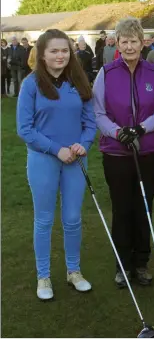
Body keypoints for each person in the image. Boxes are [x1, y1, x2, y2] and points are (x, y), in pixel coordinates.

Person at [16, 29, 97, 300]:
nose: (60, 55)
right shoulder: (31, 84)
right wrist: (56, 149)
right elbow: (24, 129)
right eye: (54, 51)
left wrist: (83, 145)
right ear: (41, 55)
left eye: (65, 50)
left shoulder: (78, 80)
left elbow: (90, 122)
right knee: (44, 219)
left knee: (73, 219)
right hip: (43, 160)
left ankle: (73, 271)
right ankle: (43, 276)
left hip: (74, 160)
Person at [93, 17, 154, 288]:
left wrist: (140, 129)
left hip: (149, 150)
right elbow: (98, 113)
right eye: (123, 41)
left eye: (133, 41)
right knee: (122, 208)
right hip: (116, 152)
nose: (129, 46)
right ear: (117, 42)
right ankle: (122, 265)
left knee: (143, 208)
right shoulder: (107, 73)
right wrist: (118, 132)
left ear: (142, 42)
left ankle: (141, 262)